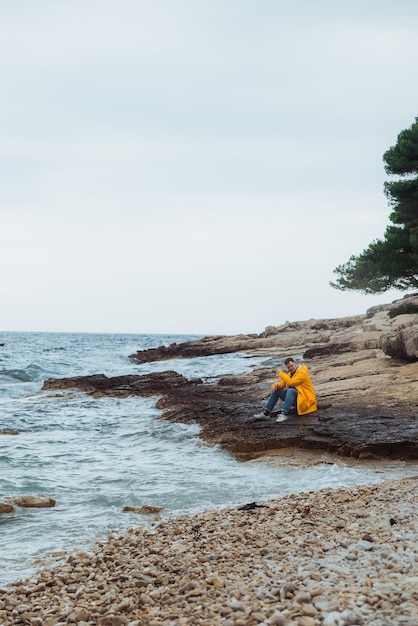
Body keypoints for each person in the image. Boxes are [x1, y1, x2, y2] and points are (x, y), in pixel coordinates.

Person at [255, 357, 317, 422]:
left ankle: (283, 414)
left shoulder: (302, 372)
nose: (290, 368)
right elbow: (284, 383)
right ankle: (266, 413)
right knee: (276, 390)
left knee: (290, 391)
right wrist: (275, 385)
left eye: (291, 366)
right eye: (288, 367)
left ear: (295, 363)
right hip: (297, 399)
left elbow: (292, 382)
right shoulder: (290, 373)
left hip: (305, 400)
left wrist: (281, 373)